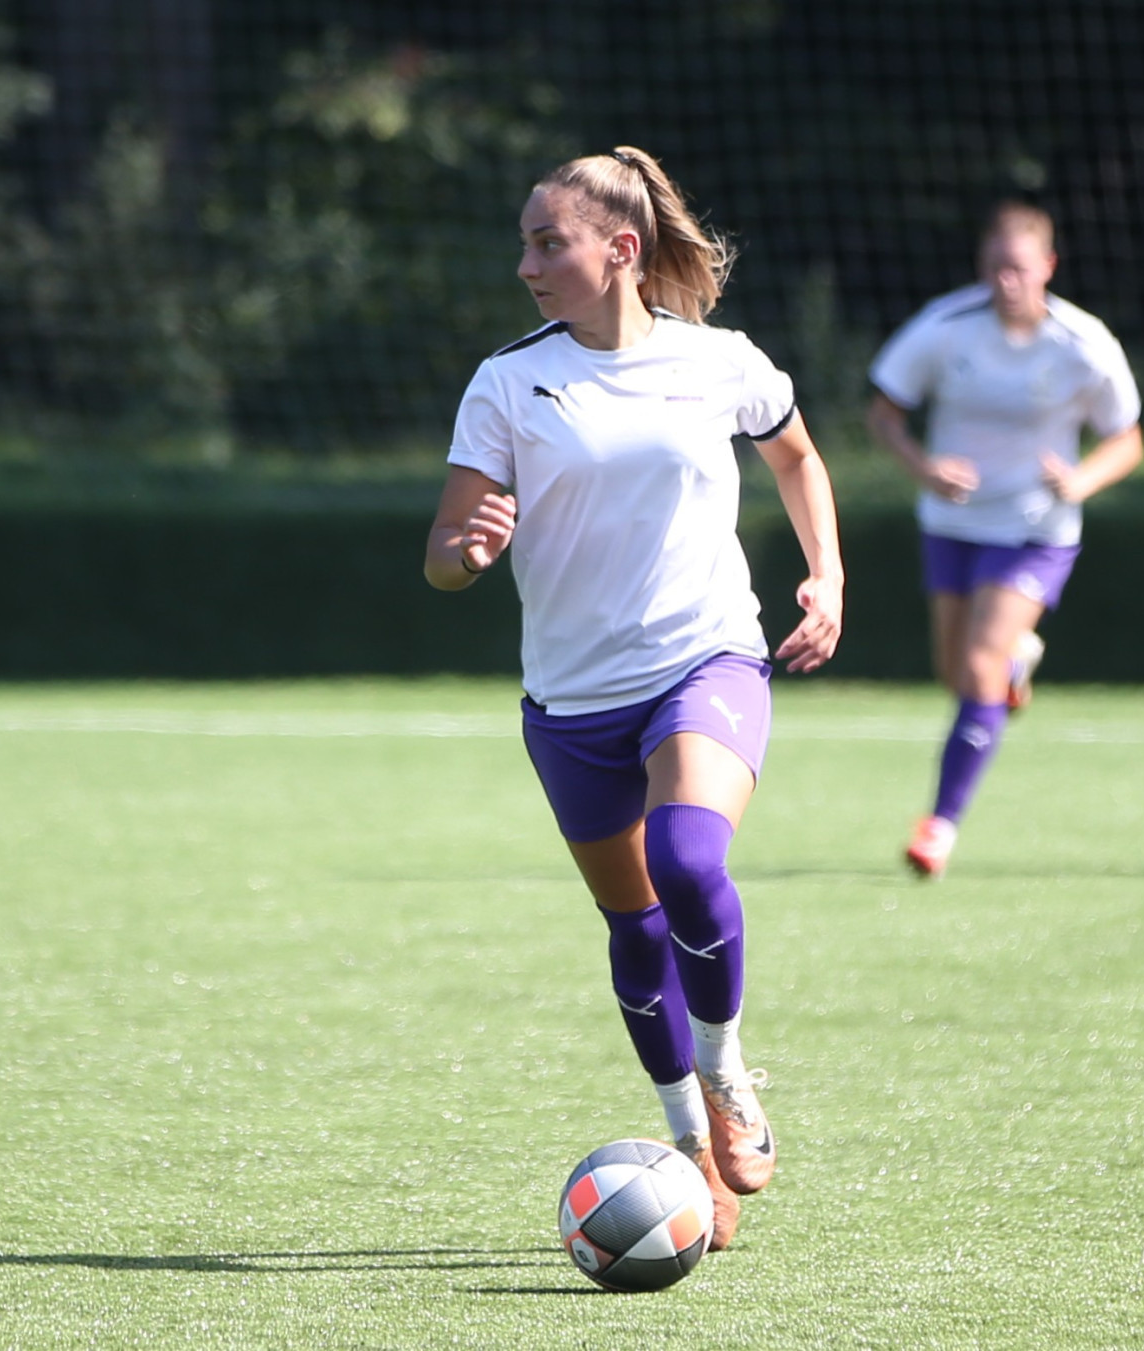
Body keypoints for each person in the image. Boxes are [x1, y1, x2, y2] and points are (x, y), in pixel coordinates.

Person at [424, 147, 843, 1250]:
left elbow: (797, 455)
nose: (526, 263)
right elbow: (443, 555)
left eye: (546, 241)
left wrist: (827, 571)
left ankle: (727, 1072)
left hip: (705, 659)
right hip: (569, 703)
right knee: (634, 919)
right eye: (523, 241)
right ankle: (688, 1145)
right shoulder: (507, 381)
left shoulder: (721, 361)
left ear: (621, 250)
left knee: (691, 860)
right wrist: (467, 553)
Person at [866, 202, 1144, 880]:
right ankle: (1014, 668)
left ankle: (939, 825)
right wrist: (923, 468)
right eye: (995, 267)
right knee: (957, 675)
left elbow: (1127, 439)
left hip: (1034, 530)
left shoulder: (1083, 342)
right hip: (954, 524)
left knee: (982, 664)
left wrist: (1079, 482)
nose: (1006, 280)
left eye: (1019, 267)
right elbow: (883, 413)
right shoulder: (944, 326)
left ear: (1048, 267)